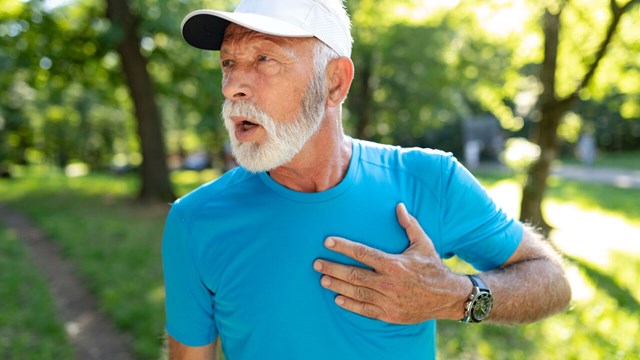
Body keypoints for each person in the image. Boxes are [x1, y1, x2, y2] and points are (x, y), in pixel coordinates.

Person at [162, 0, 572, 359]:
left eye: (264, 59)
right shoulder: (194, 220)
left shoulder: (430, 180)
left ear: (334, 82)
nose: (233, 86)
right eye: (228, 63)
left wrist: (451, 296)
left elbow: (553, 282)